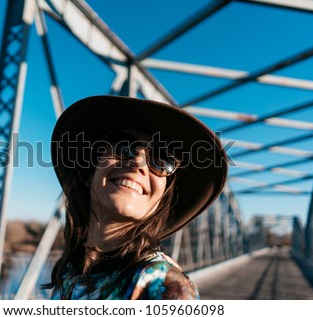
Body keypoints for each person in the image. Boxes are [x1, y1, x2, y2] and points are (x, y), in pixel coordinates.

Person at [45, 95, 228, 299]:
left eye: (162, 160)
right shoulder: (70, 271)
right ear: (89, 173)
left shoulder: (163, 287)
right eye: (123, 146)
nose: (138, 163)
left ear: (162, 199)